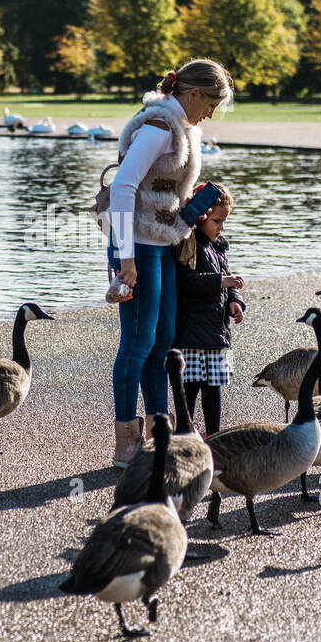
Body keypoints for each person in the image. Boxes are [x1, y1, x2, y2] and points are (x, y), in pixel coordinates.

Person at [107, 58, 234, 467]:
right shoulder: (159, 127)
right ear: (192, 93)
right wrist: (125, 258)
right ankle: (126, 441)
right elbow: (124, 187)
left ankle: (159, 432)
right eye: (211, 103)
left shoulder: (181, 128)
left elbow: (156, 188)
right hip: (138, 247)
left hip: (161, 243)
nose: (211, 113)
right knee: (138, 344)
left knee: (163, 345)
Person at [174, 183, 244, 436]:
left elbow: (227, 280)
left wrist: (234, 300)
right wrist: (221, 282)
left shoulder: (218, 247)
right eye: (216, 221)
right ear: (201, 217)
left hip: (216, 330)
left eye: (224, 221)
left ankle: (213, 435)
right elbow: (185, 282)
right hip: (191, 330)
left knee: (213, 387)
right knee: (191, 385)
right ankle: (185, 433)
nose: (221, 227)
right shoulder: (188, 244)